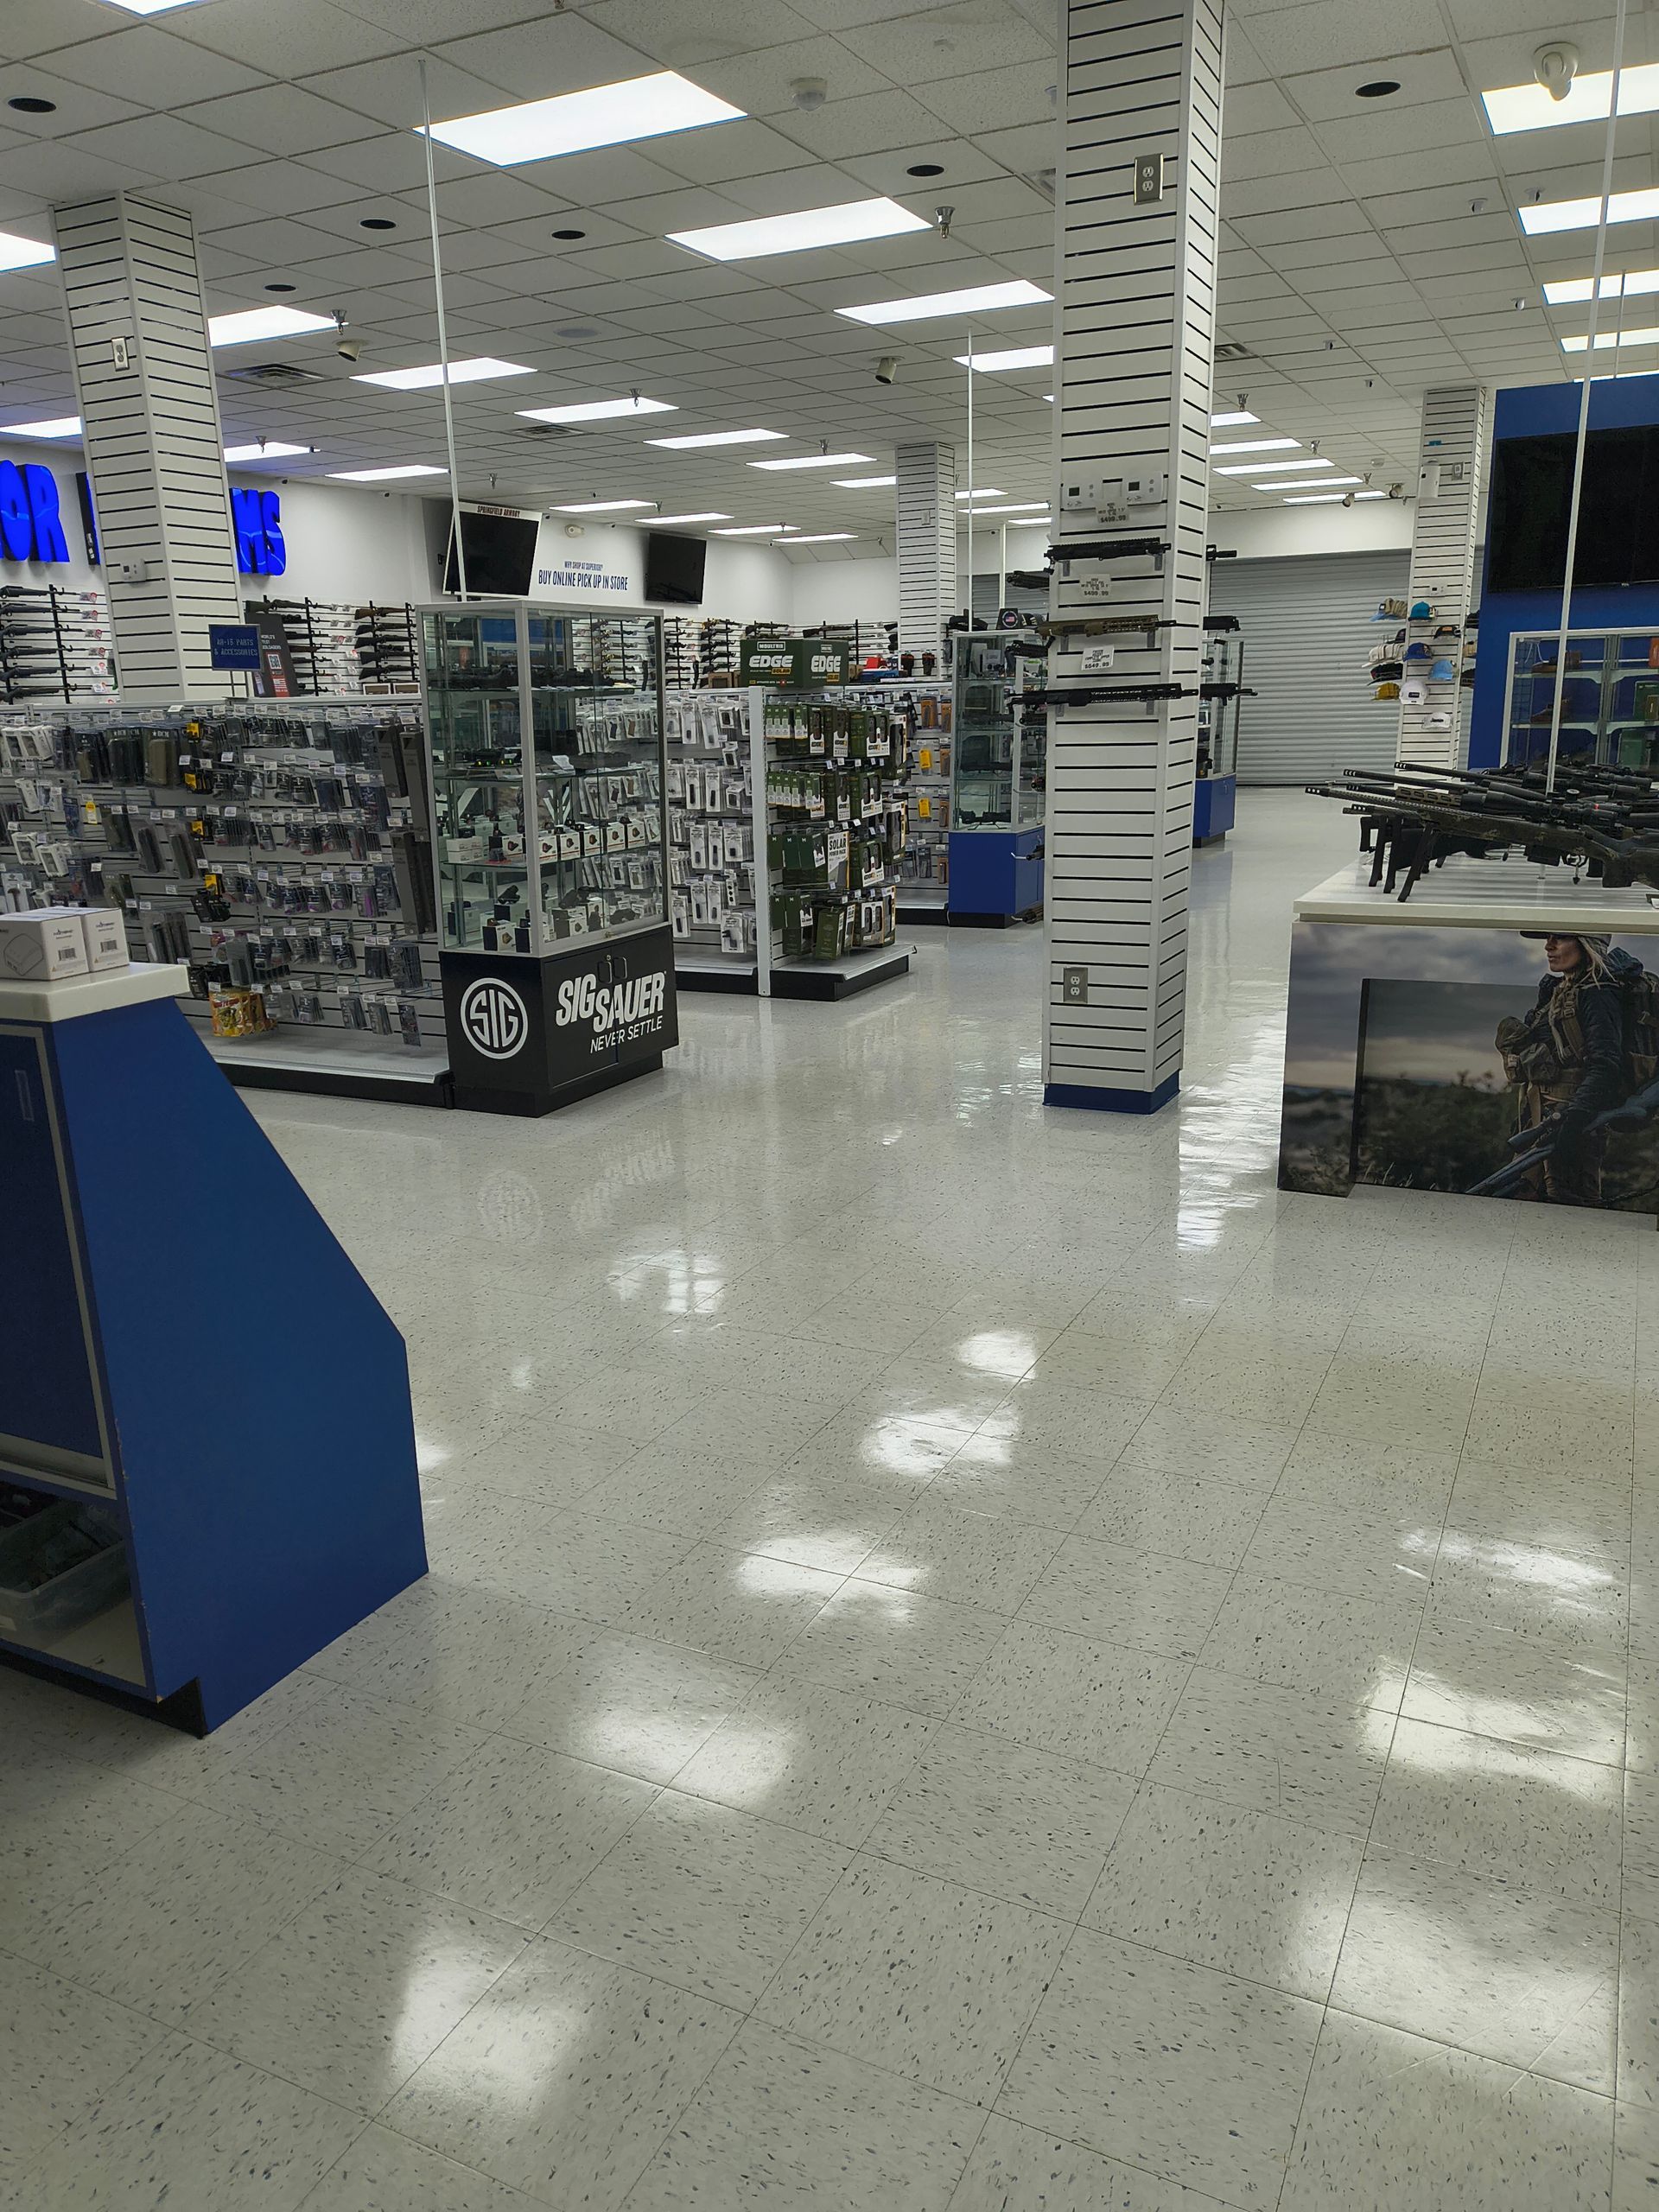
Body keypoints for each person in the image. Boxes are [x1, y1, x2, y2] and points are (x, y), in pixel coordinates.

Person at [1495, 933, 1635, 1205]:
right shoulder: (1561, 989)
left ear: (1586, 944)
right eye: (1548, 938)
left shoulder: (1598, 991)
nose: (1548, 946)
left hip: (1571, 1122)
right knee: (1526, 1198)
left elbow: (1606, 1065)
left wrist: (1574, 1123)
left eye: (1559, 938)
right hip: (1543, 1119)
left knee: (1569, 1207)